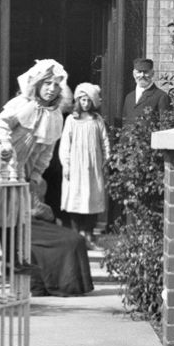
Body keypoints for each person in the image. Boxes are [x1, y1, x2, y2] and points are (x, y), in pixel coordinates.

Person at [0, 57, 73, 193]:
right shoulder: (23, 103)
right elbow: (0, 124)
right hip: (4, 160)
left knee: (17, 206)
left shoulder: (55, 115)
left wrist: (36, 175)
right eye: (47, 83)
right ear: (38, 83)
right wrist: (5, 143)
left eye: (56, 85)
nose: (51, 89)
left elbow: (47, 151)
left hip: (25, 169)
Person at [58, 82, 111, 245]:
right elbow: (65, 144)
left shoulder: (97, 120)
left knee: (92, 197)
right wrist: (66, 164)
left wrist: (106, 159)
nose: (85, 104)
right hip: (75, 166)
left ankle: (89, 232)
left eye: (88, 100)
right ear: (78, 101)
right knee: (75, 197)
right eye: (82, 100)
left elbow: (104, 141)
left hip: (93, 166)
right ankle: (76, 232)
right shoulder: (71, 120)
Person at [27, 187, 94, 297]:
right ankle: (66, 284)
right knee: (71, 241)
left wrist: (45, 213)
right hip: (26, 226)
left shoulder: (31, 184)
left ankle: (72, 284)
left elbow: (39, 207)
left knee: (77, 239)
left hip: (38, 222)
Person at [121, 57, 172, 129]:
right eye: (139, 72)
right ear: (133, 74)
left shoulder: (161, 96)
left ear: (152, 73)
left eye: (145, 72)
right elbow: (125, 124)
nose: (142, 75)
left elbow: (165, 126)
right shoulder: (129, 97)